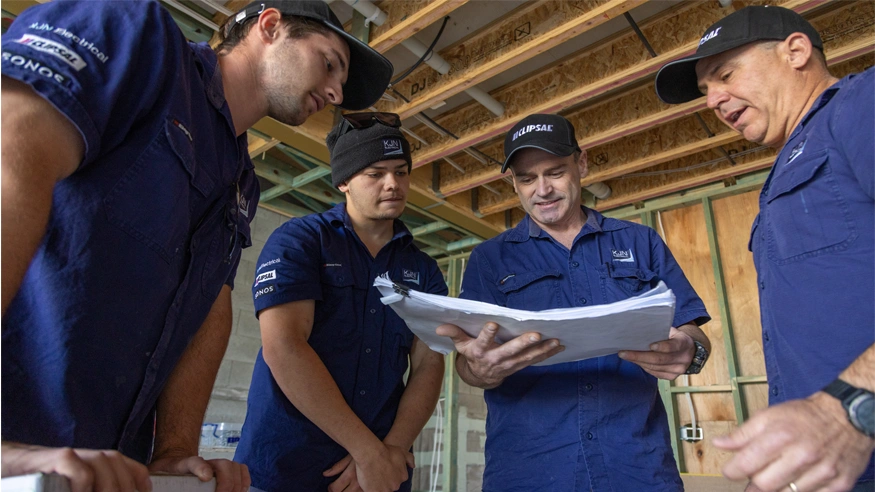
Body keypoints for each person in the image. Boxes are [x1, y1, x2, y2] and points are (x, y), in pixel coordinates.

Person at [1, 0, 392, 490]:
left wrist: (175, 450)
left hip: (105, 462)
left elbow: (208, 304)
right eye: (329, 62)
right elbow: (12, 147)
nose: (335, 92)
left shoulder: (241, 179)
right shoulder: (140, 39)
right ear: (270, 26)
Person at [655, 6, 875, 492]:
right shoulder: (786, 166)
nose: (712, 99)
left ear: (795, 51)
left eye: (725, 75)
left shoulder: (861, 101)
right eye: (704, 90)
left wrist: (854, 408)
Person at [436, 113, 712, 491]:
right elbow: (467, 365)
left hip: (636, 466)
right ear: (512, 182)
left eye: (555, 172)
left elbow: (693, 333)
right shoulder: (490, 260)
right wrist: (479, 371)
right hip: (529, 470)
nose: (542, 190)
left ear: (581, 164)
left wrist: (689, 351)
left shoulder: (640, 242)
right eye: (527, 179)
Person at [233, 112, 446, 492]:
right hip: (287, 468)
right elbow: (284, 347)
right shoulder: (300, 242)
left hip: (381, 475)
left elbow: (429, 364)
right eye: (375, 173)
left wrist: (391, 450)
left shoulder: (423, 269)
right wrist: (367, 453)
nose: (393, 183)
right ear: (344, 181)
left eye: (401, 171)